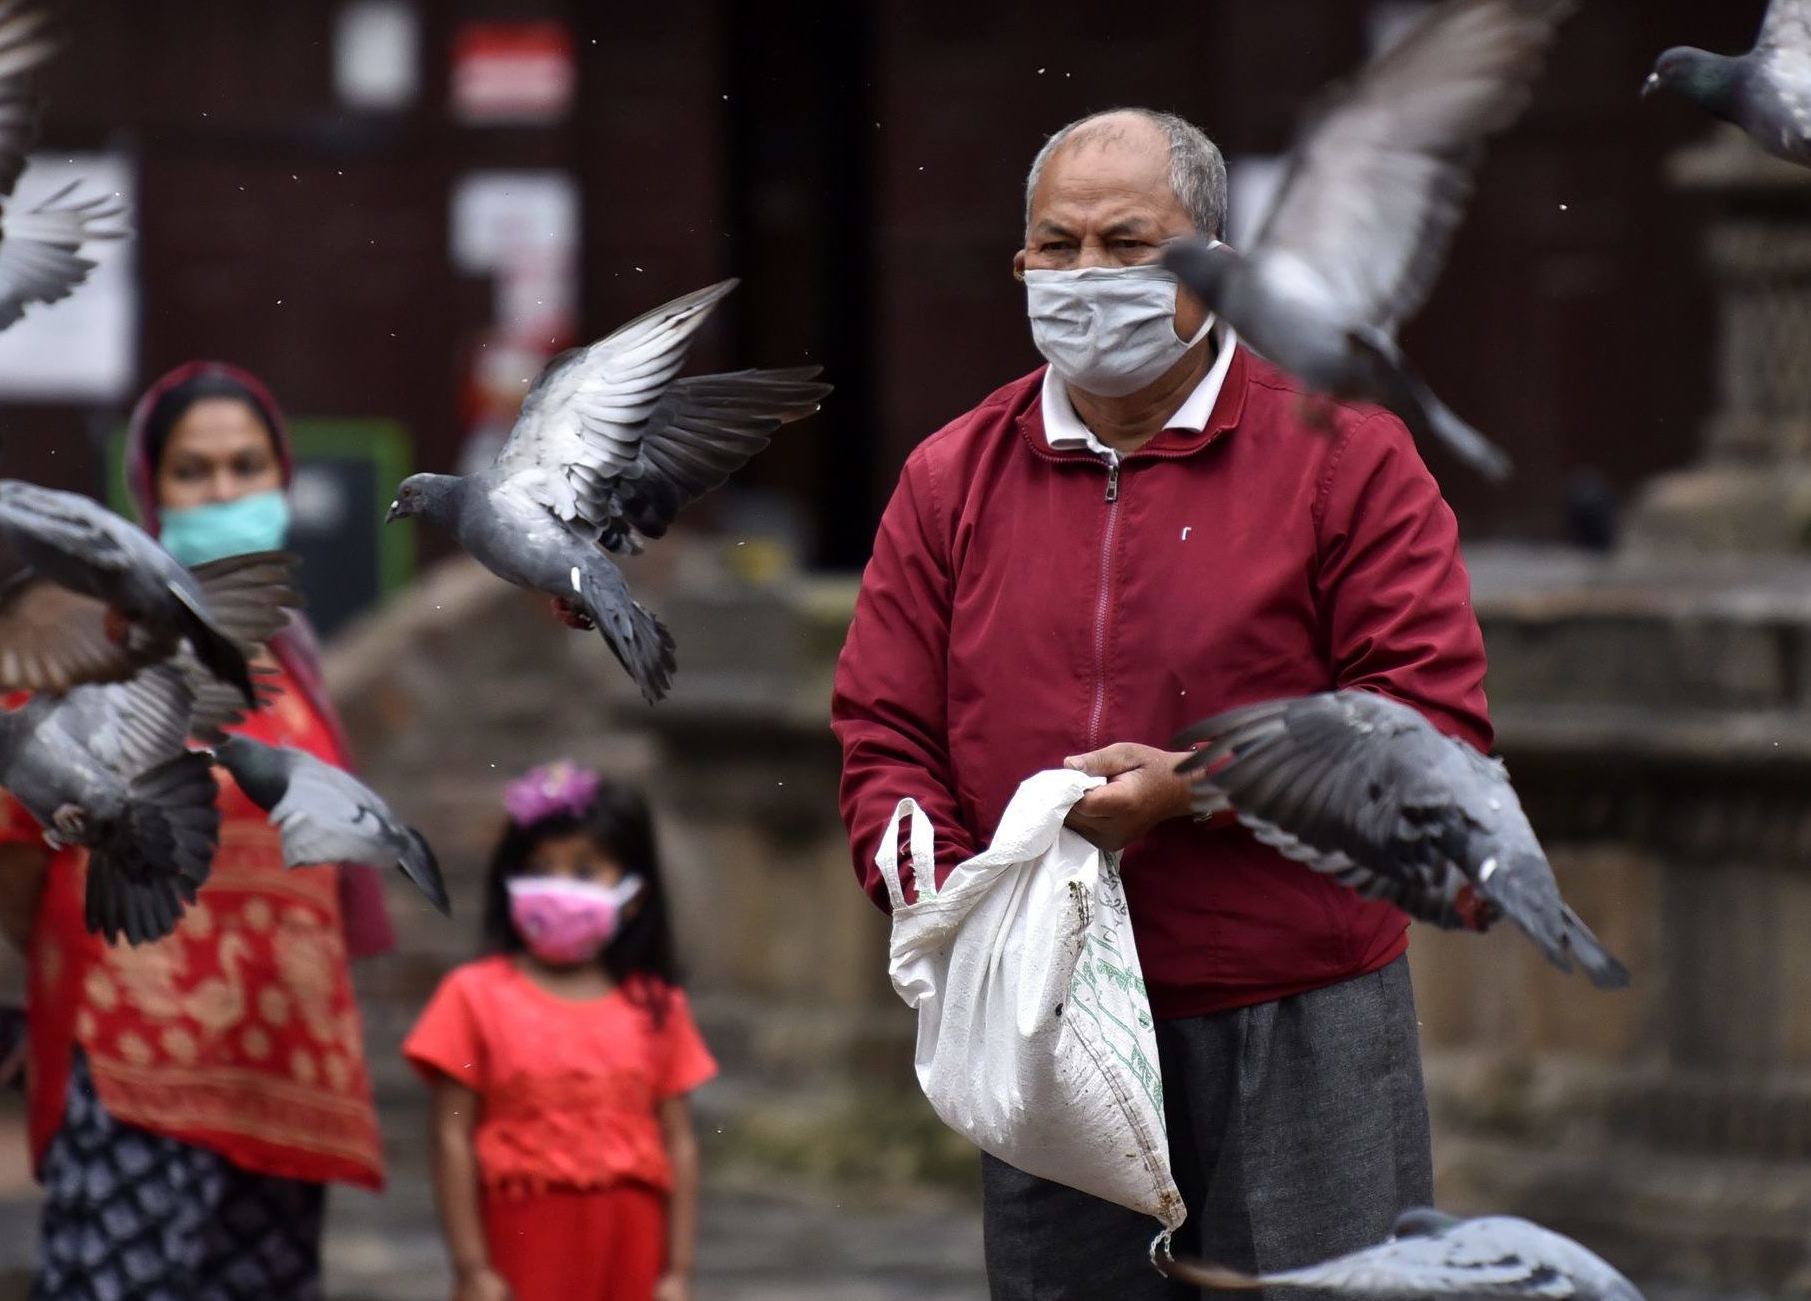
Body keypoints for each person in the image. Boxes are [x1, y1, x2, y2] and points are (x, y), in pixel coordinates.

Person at [833, 108, 1490, 1297]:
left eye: (1127, 243)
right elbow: (883, 732)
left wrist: (1197, 788)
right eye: (1058, 245)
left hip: (1296, 1005)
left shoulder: (1347, 456)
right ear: (1022, 266)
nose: (1087, 277)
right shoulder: (951, 476)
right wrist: (945, 890)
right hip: (1049, 1014)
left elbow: (1428, 726)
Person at [0, 361, 391, 1301]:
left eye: (247, 467)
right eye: (196, 473)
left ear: (283, 481)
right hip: (138, 1064)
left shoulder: (289, 654)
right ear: (152, 492)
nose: (225, 492)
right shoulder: (86, 645)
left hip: (284, 1073)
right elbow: (5, 837)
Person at [405, 760, 713, 1301]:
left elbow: (680, 1145)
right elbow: (451, 1136)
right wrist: (471, 1267)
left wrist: (677, 1272)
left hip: (631, 1253)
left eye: (585, 871)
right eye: (541, 866)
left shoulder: (658, 1008)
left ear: (635, 894)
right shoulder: (472, 996)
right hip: (520, 1250)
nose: (557, 886)